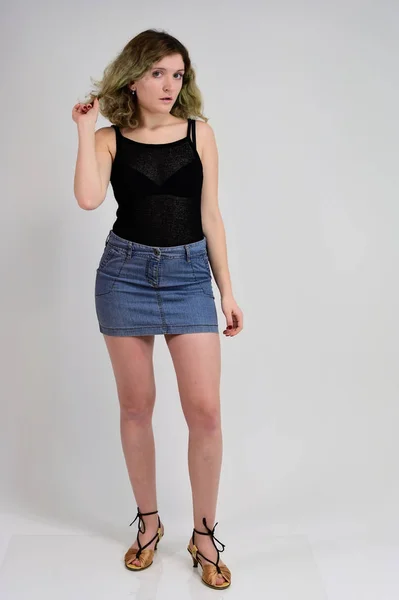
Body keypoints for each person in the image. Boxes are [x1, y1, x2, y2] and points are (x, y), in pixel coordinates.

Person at [72, 28, 243, 590]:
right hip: (124, 275)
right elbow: (89, 199)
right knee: (136, 408)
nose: (170, 84)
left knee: (206, 412)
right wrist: (82, 130)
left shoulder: (200, 133)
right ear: (133, 76)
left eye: (178, 73)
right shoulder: (108, 138)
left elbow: (211, 215)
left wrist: (227, 290)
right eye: (158, 73)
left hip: (190, 276)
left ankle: (203, 535)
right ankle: (148, 526)